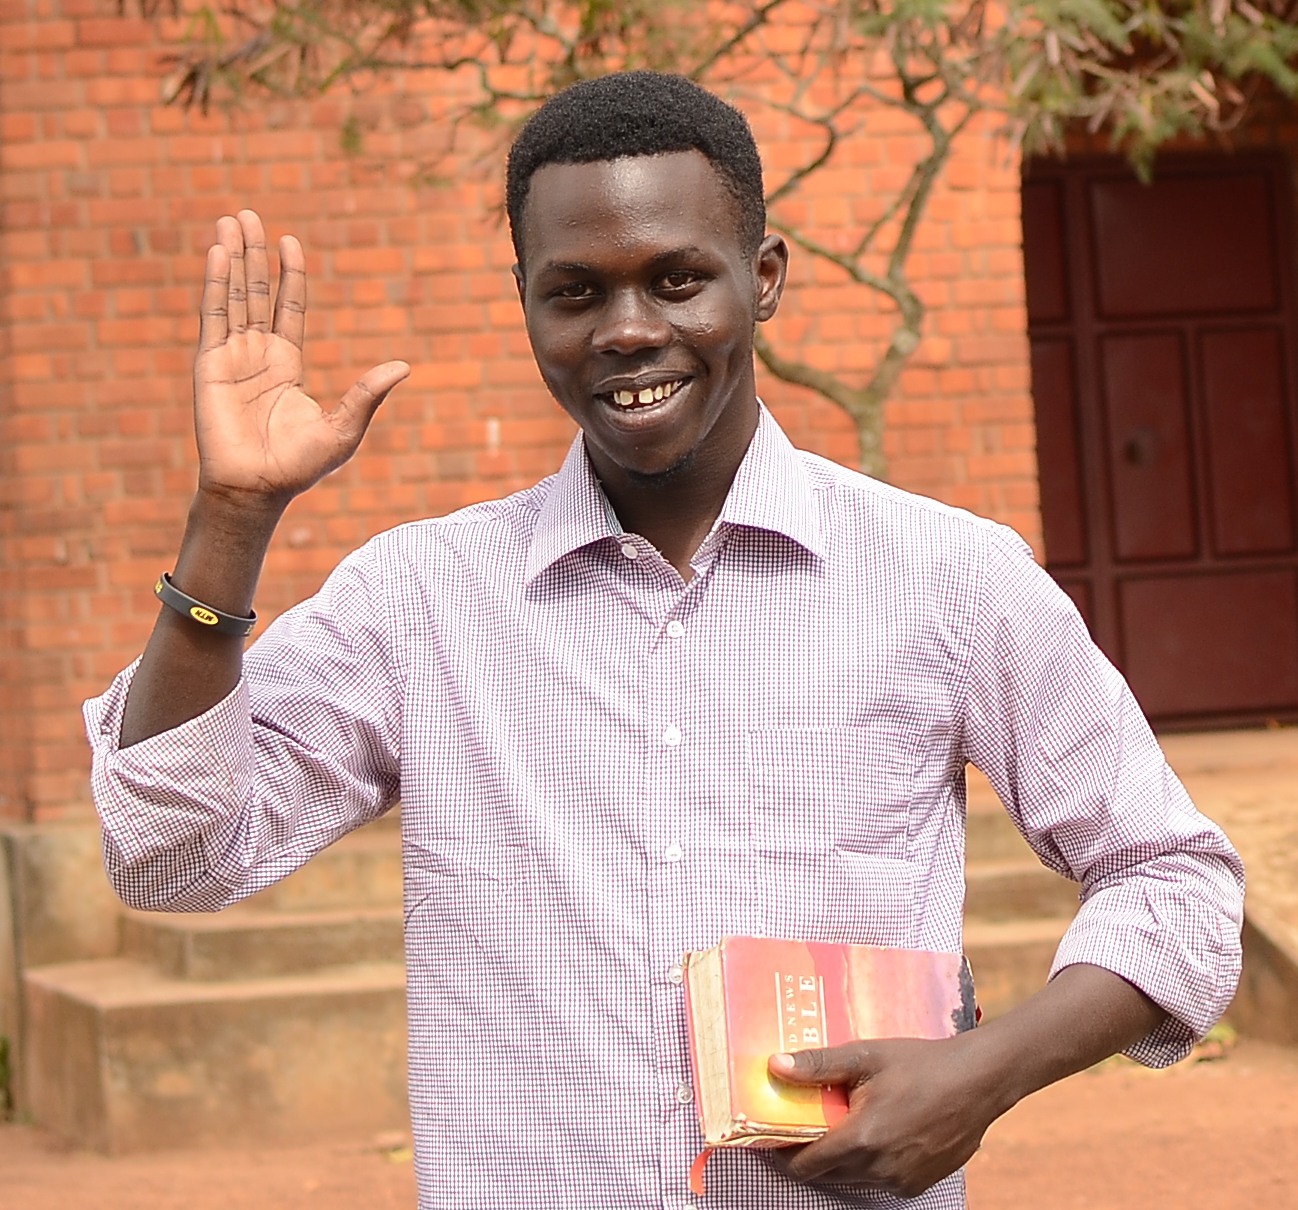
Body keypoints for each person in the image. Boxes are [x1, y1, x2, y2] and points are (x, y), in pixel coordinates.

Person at [84, 71, 1244, 1210]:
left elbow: (1172, 880)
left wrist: (982, 1074)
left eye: (678, 279)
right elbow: (170, 852)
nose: (628, 330)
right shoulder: (417, 600)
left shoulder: (947, 578)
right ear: (526, 301)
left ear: (763, 276)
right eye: (575, 292)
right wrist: (230, 515)